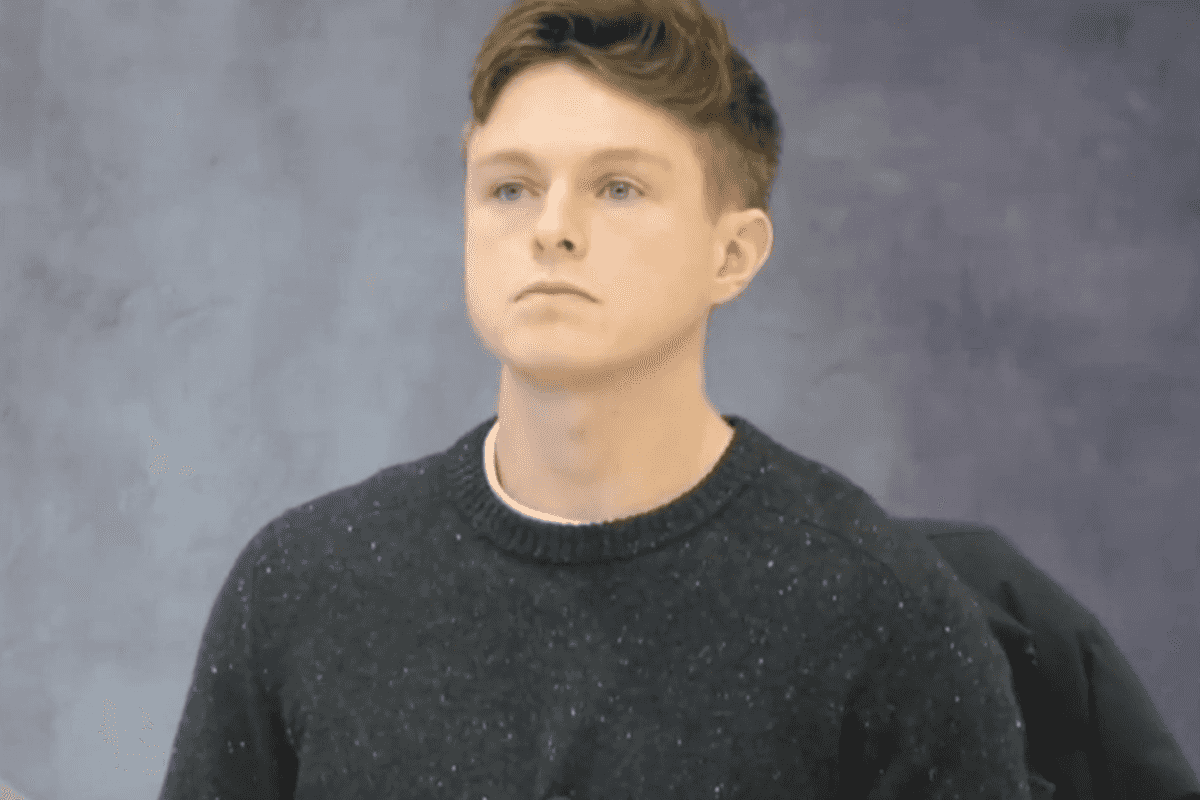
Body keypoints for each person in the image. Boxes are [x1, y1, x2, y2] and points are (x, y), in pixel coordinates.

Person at [159, 1, 1037, 797]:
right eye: (510, 187)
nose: (551, 227)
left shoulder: (887, 615)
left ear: (732, 255)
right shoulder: (300, 586)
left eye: (618, 187)